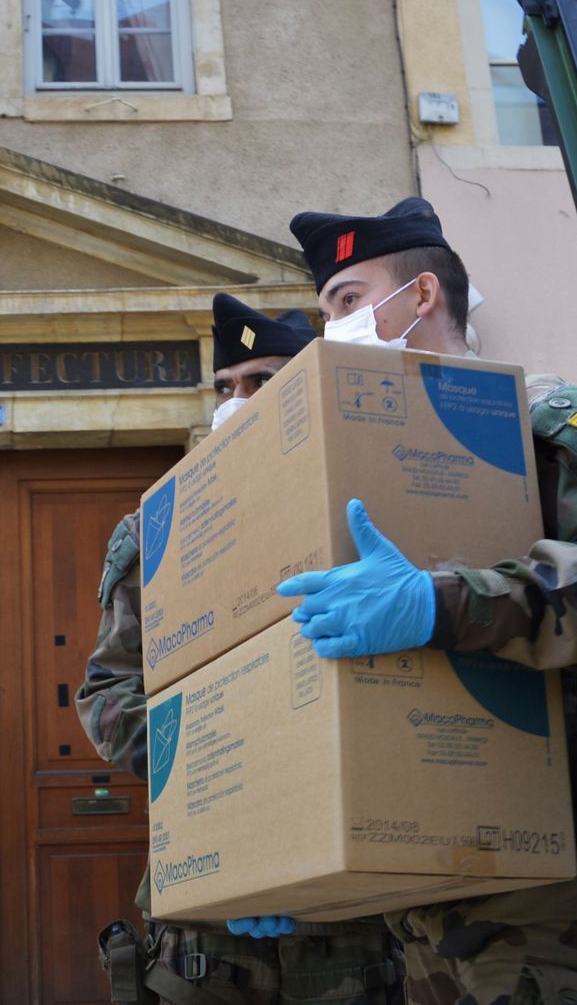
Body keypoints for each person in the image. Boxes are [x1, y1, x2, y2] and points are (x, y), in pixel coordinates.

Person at [276, 198, 577, 1005]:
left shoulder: (543, 417)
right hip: (416, 905)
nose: (332, 327)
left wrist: (441, 604)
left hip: (559, 894)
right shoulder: (337, 462)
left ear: (422, 296)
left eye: (346, 301)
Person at [81, 292, 404, 1005]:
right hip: (211, 928)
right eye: (225, 386)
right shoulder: (157, 534)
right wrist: (213, 772)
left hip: (352, 920)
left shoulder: (364, 509)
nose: (239, 399)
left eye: (262, 381)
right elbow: (106, 691)